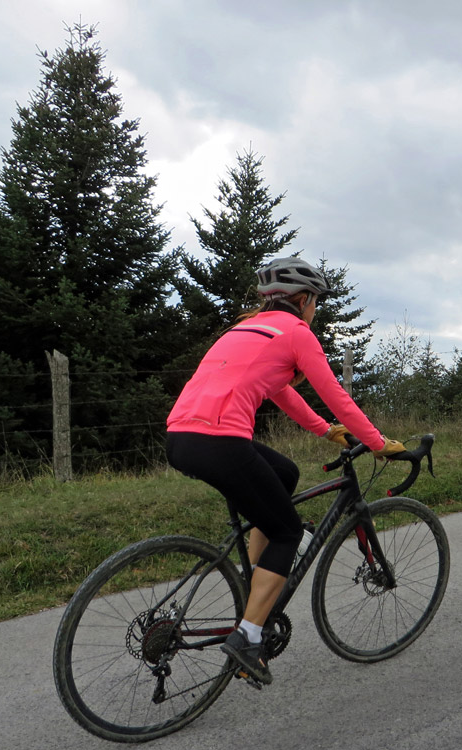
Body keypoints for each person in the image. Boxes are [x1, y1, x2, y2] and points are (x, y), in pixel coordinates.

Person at [165, 256, 406, 686]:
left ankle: (252, 582)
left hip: (181, 438)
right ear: (306, 299)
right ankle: (248, 637)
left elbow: (279, 392)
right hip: (222, 442)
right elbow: (336, 395)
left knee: (285, 474)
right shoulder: (296, 332)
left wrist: (324, 431)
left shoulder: (246, 329)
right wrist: (376, 443)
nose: (316, 311)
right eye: (317, 303)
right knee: (287, 531)